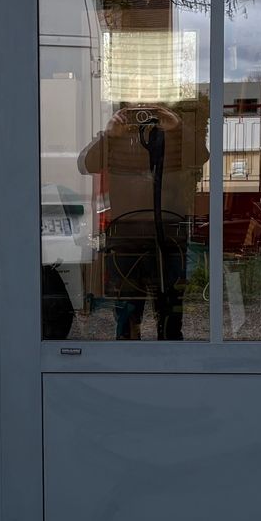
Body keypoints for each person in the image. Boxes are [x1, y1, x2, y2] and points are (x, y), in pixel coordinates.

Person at [79, 99, 207, 340]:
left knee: (170, 305)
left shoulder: (173, 137)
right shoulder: (116, 138)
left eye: (151, 111)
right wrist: (109, 134)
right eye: (135, 112)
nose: (143, 117)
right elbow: (86, 164)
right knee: (127, 308)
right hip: (127, 233)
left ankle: (171, 360)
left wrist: (177, 127)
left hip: (168, 231)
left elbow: (201, 156)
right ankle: (129, 358)